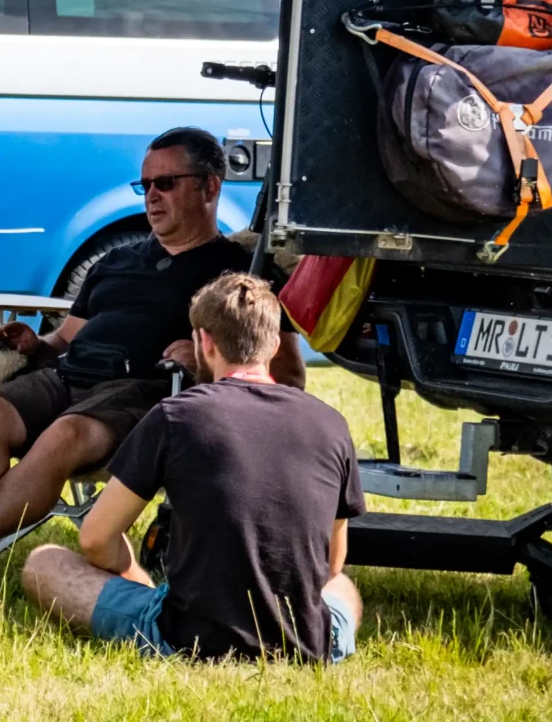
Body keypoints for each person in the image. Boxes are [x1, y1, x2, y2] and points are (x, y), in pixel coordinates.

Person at [0, 126, 301, 570]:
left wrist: (205, 365)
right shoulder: (115, 261)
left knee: (65, 434)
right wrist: (33, 344)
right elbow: (62, 341)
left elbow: (288, 377)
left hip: (143, 391)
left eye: (166, 183)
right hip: (67, 376)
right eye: (145, 185)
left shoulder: (240, 275)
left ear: (210, 186)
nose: (151, 196)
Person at [21, 273, 364, 663]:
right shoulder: (331, 424)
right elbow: (332, 563)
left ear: (204, 342)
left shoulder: (176, 415)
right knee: (344, 588)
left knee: (44, 562)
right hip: (308, 642)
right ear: (274, 345)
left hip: (191, 638)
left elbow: (96, 539)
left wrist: (136, 576)